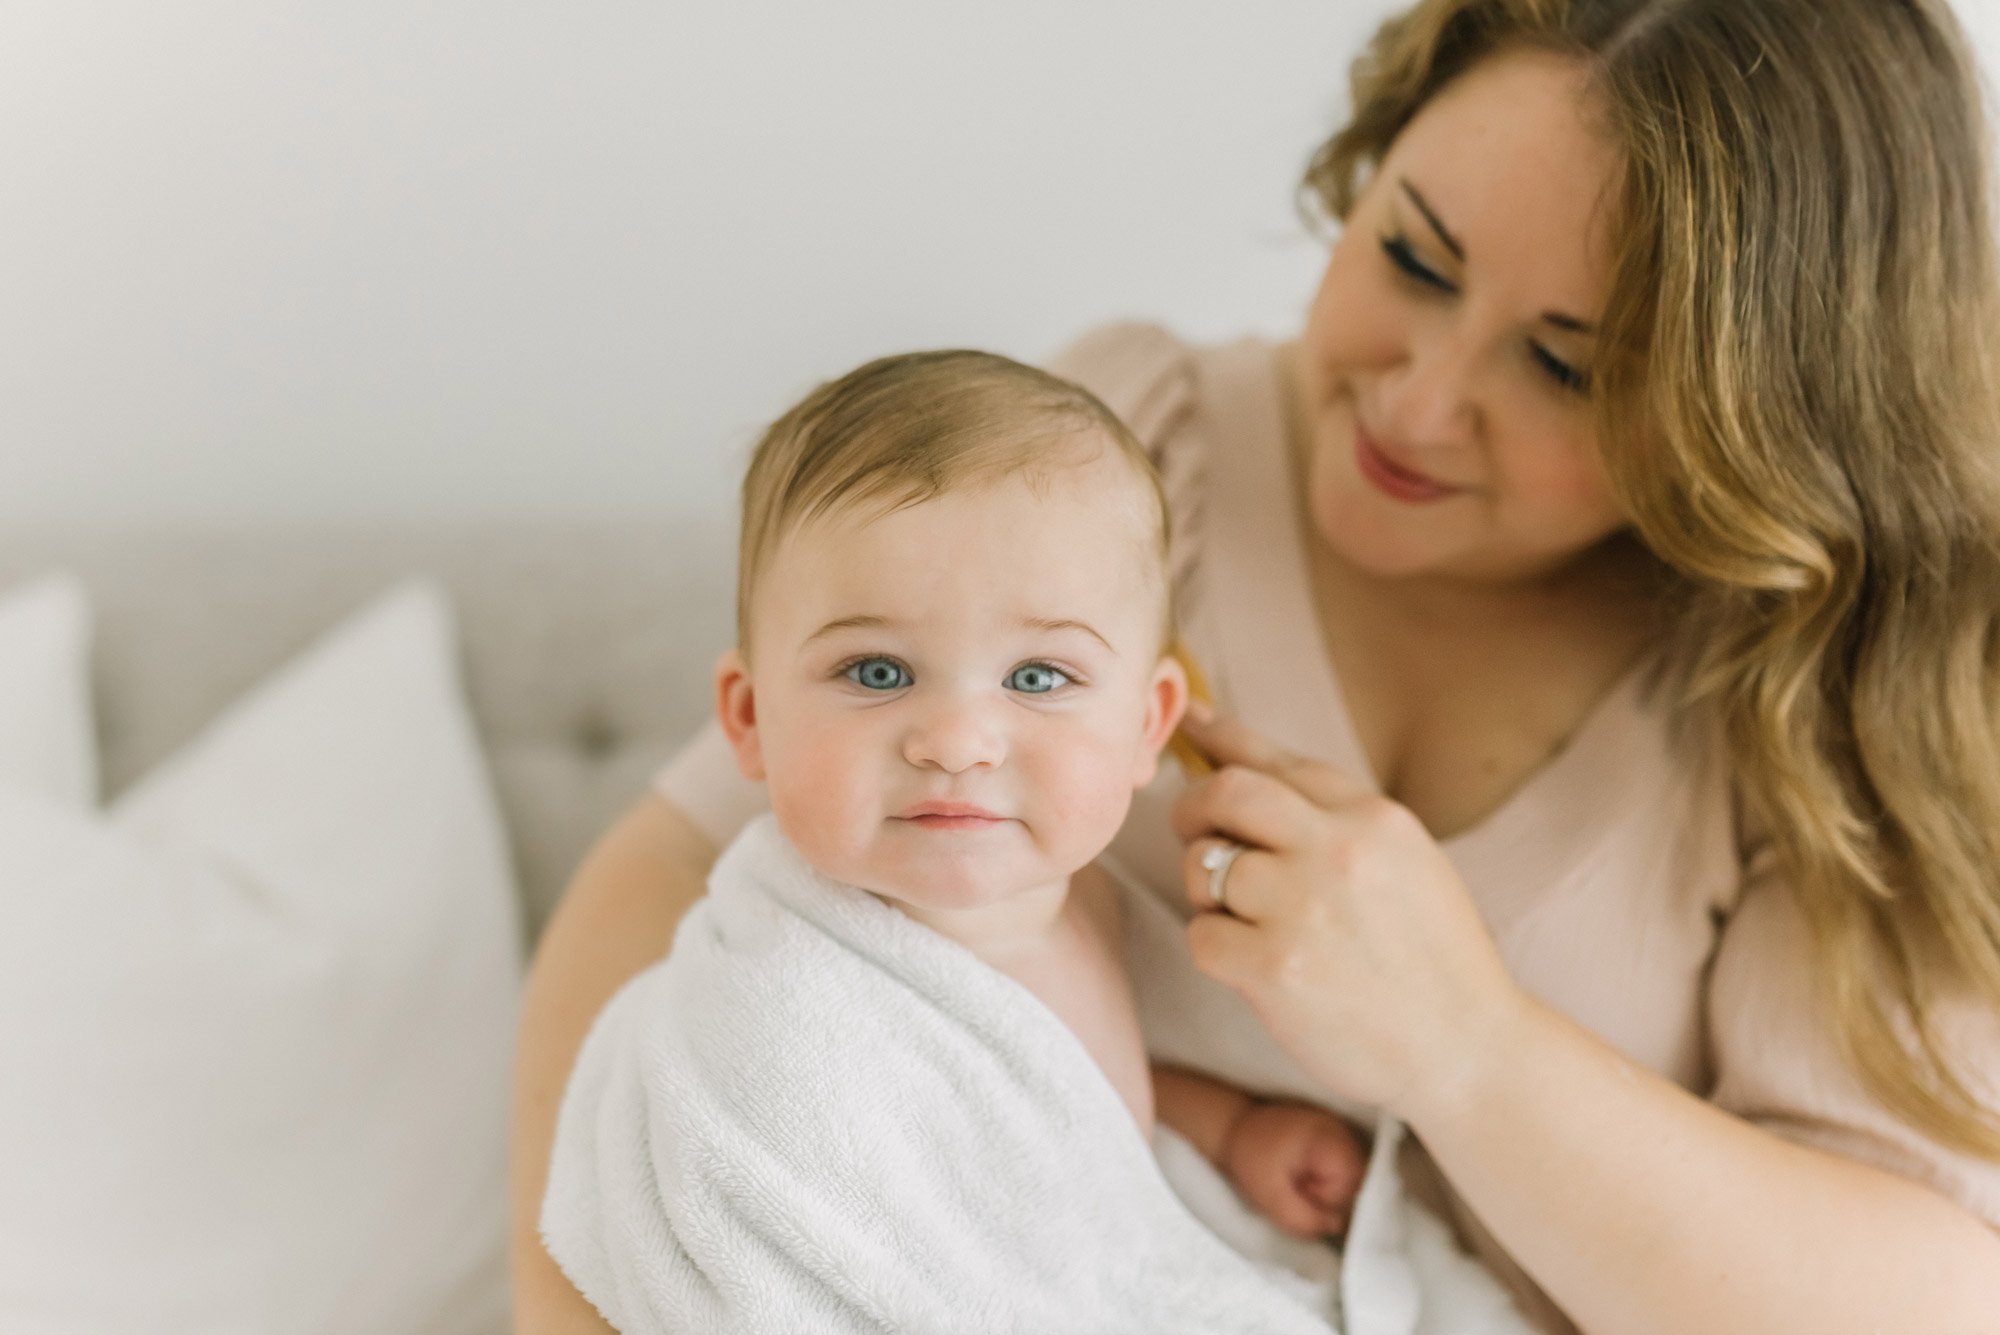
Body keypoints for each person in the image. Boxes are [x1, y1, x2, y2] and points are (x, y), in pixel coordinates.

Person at [512, 1, 2000, 1330]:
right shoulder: (1125, 446)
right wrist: (586, 1292)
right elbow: (685, 867)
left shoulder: (1822, 677)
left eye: (1566, 364)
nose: (1417, 404)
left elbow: (1925, 1296)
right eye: (1414, 256)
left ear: (1753, 418)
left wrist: (1469, 1049)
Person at [535, 349, 1368, 1331]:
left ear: (1147, 725)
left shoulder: (1080, 899)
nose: (958, 742)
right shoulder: (776, 1016)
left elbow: (1062, 1103)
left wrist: (1230, 1130)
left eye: (1037, 678)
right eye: (879, 672)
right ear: (750, 718)